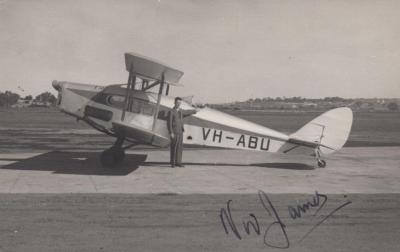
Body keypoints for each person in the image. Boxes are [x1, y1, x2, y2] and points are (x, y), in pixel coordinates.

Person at [167, 97, 198, 167]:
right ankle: (173, 163)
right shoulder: (171, 111)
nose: (178, 104)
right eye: (177, 103)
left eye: (180, 103)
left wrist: (195, 111)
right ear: (174, 102)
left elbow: (187, 112)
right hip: (174, 132)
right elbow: (169, 123)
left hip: (180, 131)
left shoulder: (180, 111)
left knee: (180, 147)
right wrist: (171, 132)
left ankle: (178, 162)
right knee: (174, 147)